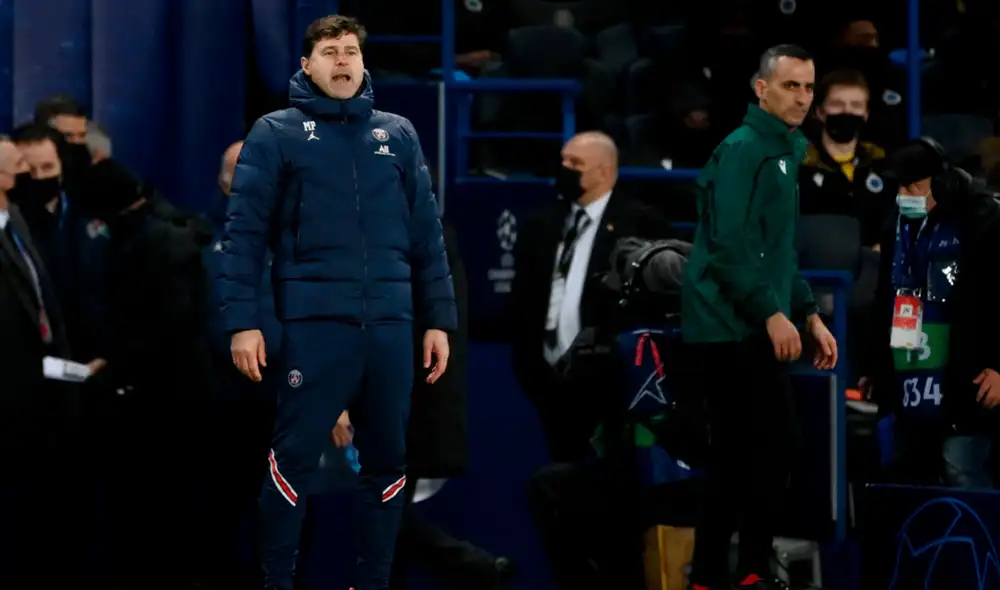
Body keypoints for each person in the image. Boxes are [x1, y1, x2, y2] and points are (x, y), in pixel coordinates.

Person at [219, 15, 457, 590]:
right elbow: (244, 234)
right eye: (330, 52)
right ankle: (277, 583)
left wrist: (438, 320)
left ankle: (372, 583)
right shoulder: (274, 133)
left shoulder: (398, 134)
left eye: (351, 51)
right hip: (316, 325)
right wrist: (242, 323)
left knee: (388, 464)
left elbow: (427, 236)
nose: (343, 60)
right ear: (307, 65)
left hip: (391, 323)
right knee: (292, 462)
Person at [681, 45, 838, 590]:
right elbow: (730, 245)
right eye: (791, 85)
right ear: (761, 89)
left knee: (745, 452)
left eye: (809, 87)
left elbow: (779, 248)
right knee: (769, 444)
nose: (803, 97)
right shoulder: (743, 149)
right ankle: (742, 572)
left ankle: (721, 575)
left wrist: (807, 314)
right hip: (724, 324)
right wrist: (772, 312)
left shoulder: (785, 149)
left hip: (749, 318)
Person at [72, 158, 218, 588]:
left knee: (162, 509)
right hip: (161, 395)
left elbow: (168, 324)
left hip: (167, 401)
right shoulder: (161, 232)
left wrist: (114, 361)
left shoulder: (159, 244)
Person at [509, 131, 670, 464]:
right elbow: (523, 300)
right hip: (550, 380)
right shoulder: (541, 224)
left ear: (604, 172)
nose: (564, 169)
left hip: (612, 381)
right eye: (563, 161)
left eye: (575, 163)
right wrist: (532, 369)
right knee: (562, 473)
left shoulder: (640, 223)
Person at [862, 137, 1000, 489]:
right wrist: (877, 366)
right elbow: (885, 298)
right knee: (909, 482)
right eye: (899, 186)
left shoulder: (984, 221)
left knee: (963, 475)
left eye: (913, 186)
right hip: (909, 384)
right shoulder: (896, 227)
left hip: (966, 382)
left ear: (942, 183)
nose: (903, 194)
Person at [0, 137, 79, 585]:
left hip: (44, 394)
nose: (30, 176)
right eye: (21, 167)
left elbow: (43, 303)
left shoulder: (16, 221)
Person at [9, 123, 110, 366]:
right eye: (29, 170)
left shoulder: (93, 216)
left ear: (62, 166)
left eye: (47, 167)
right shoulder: (8, 227)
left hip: (95, 361)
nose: (39, 177)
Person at [798, 68, 891, 247]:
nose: (847, 111)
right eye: (837, 104)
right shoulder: (798, 165)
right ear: (820, 112)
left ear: (866, 114)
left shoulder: (882, 164)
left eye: (856, 105)